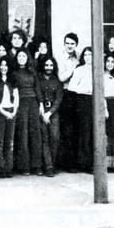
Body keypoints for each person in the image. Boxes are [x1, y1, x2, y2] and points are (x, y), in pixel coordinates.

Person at [12, 48, 43, 175]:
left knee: (35, 133)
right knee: (23, 134)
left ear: (27, 58)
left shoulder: (32, 72)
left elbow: (37, 88)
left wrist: (40, 103)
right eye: (19, 56)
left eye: (24, 56)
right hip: (21, 102)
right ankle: (24, 166)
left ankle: (37, 165)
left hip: (33, 102)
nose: (21, 58)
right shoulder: (14, 73)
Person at [0, 56, 19, 178]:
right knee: (0, 141)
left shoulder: (12, 79)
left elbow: (16, 96)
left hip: (12, 111)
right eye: (1, 65)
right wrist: (3, 111)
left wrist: (14, 110)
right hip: (0, 113)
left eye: (6, 65)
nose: (3, 67)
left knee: (9, 141)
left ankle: (9, 168)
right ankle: (0, 169)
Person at [56, 32, 80, 172]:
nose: (70, 46)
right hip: (65, 94)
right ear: (64, 44)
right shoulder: (60, 58)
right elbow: (61, 78)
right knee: (67, 129)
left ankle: (76, 162)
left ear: (76, 45)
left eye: (72, 44)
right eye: (68, 43)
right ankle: (67, 164)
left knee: (76, 128)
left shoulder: (78, 58)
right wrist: (73, 70)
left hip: (77, 94)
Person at [68, 46, 94, 173]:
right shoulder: (79, 70)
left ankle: (92, 162)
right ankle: (83, 162)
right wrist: (85, 90)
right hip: (82, 101)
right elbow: (72, 87)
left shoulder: (98, 70)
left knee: (93, 132)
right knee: (84, 132)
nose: (88, 57)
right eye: (86, 55)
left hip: (95, 100)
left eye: (91, 55)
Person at [38, 56, 63, 177]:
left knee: (55, 138)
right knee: (44, 139)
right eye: (46, 65)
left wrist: (50, 112)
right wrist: (43, 112)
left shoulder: (57, 81)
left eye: (51, 65)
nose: (48, 68)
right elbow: (38, 94)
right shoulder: (39, 79)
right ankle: (48, 166)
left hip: (53, 112)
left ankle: (53, 163)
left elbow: (58, 99)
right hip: (42, 111)